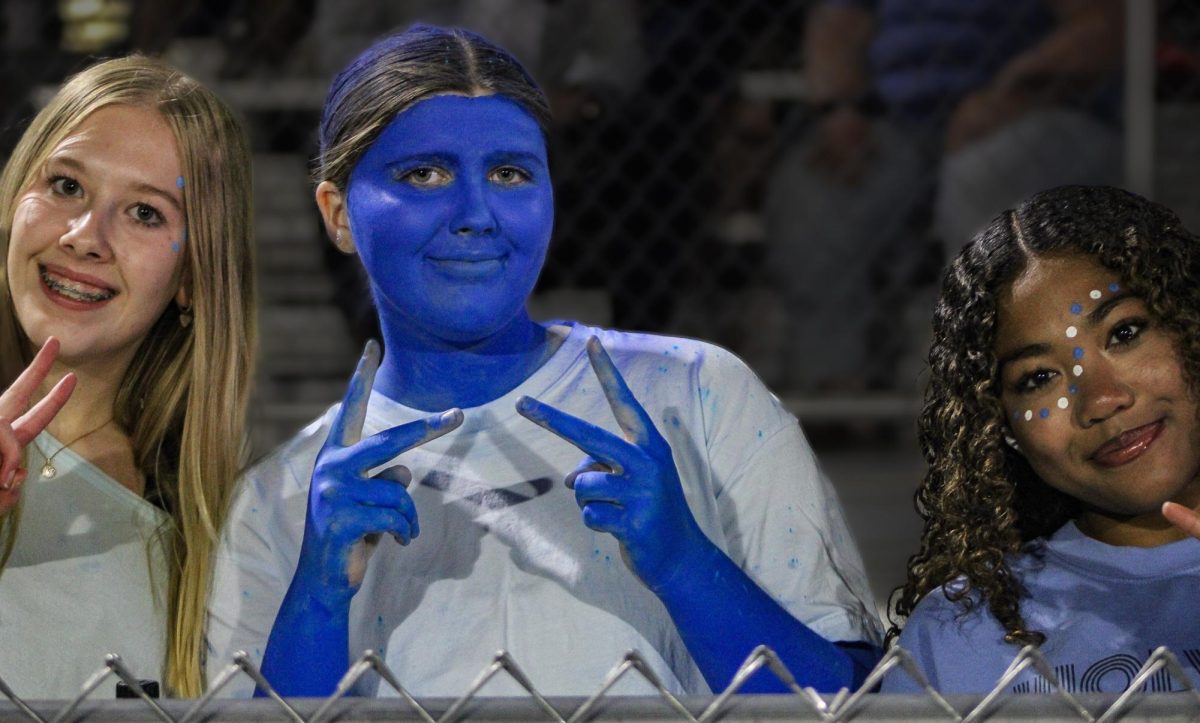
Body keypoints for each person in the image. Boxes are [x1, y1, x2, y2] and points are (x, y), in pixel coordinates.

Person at [206, 24, 881, 699]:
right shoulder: (280, 499)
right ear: (338, 214)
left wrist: (684, 562)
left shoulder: (700, 394)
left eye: (510, 173)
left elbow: (855, 703)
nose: (476, 213)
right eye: (424, 173)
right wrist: (319, 599)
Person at [0, 55, 256, 697]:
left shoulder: (217, 531)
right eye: (65, 186)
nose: (87, 238)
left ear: (194, 277)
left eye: (146, 213)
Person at [883, 185, 1200, 694]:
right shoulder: (960, 630)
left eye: (1124, 333)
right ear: (1000, 426)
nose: (1102, 399)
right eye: (1039, 378)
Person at [763, 0, 1123, 393]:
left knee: (986, 180)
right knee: (819, 190)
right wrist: (840, 110)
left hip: (1036, 107)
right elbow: (837, 24)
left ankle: (984, 388)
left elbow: (1100, 26)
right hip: (899, 120)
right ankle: (836, 389)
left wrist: (1010, 92)